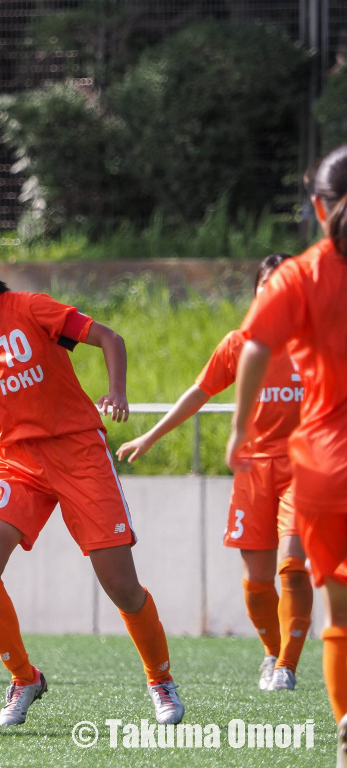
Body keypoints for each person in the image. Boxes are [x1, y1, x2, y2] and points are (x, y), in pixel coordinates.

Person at [0, 231, 183, 728]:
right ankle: (24, 678)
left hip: (78, 453)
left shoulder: (31, 308)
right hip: (16, 461)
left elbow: (109, 338)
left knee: (122, 587)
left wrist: (117, 391)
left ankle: (160, 680)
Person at [118, 254, 311, 692]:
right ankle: (272, 652)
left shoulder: (315, 344)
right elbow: (199, 392)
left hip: (304, 469)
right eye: (267, 285)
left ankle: (287, 665)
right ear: (257, 291)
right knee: (257, 583)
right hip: (253, 471)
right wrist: (150, 436)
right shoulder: (240, 344)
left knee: (293, 566)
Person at [225, 145, 347, 758]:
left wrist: (237, 428)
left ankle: (345, 725)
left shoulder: (302, 274)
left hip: (325, 463)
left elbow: (253, 347)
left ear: (317, 205)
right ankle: (282, 661)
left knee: (338, 612)